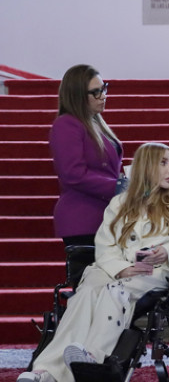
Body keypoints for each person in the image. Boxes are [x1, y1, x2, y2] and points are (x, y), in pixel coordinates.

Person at [16, 143, 169, 382]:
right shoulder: (120, 203)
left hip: (151, 272)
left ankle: (87, 364)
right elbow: (105, 246)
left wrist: (167, 250)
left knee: (112, 294)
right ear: (146, 168)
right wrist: (121, 267)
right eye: (163, 163)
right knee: (82, 297)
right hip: (113, 269)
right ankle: (46, 373)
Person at [49, 64, 123, 247]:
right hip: (83, 218)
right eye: (96, 92)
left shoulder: (95, 122)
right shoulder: (66, 125)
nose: (103, 96)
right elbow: (74, 174)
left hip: (106, 215)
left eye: (103, 88)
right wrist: (121, 187)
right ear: (77, 95)